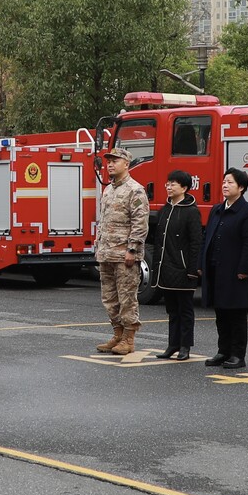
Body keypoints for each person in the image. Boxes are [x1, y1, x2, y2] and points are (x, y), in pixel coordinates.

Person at [202, 168, 248, 370]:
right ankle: (223, 350)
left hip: (235, 270)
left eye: (230, 182)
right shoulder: (217, 209)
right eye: (224, 182)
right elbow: (208, 237)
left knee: (236, 314)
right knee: (221, 313)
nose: (225, 185)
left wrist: (243, 268)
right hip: (217, 268)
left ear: (241, 187)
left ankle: (237, 354)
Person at [93, 147, 148, 355]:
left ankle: (129, 339)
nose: (110, 164)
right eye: (109, 161)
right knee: (109, 297)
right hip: (106, 253)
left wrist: (132, 249)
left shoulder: (135, 190)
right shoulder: (108, 189)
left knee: (127, 298)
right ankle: (117, 334)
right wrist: (98, 247)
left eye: (115, 161)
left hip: (124, 255)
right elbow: (103, 222)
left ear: (126, 164)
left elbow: (140, 223)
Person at [147, 169, 202, 361]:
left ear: (185, 188)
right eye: (168, 183)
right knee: (171, 309)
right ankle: (172, 344)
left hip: (183, 268)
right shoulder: (165, 209)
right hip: (166, 267)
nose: (168, 187)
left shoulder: (191, 211)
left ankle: (185, 346)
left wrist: (193, 269)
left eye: (173, 184)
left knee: (185, 309)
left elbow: (196, 242)